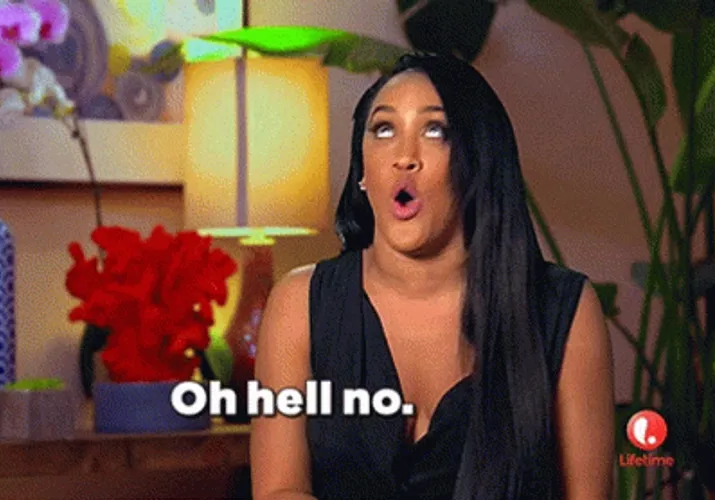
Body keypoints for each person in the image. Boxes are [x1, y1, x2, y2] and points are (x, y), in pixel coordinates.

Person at [250, 52, 615, 500]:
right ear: (362, 171)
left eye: (435, 131)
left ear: (477, 162)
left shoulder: (563, 311)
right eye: (384, 129)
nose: (405, 157)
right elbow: (279, 489)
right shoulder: (299, 305)